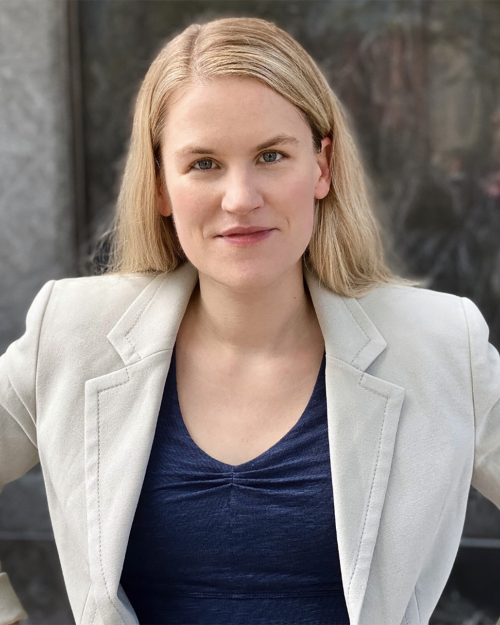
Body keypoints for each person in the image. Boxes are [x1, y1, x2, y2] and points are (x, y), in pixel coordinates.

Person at [0, 15, 499, 625]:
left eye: (270, 155)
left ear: (322, 166)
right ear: (160, 184)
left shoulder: (441, 343)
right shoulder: (72, 333)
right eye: (203, 163)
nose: (240, 198)